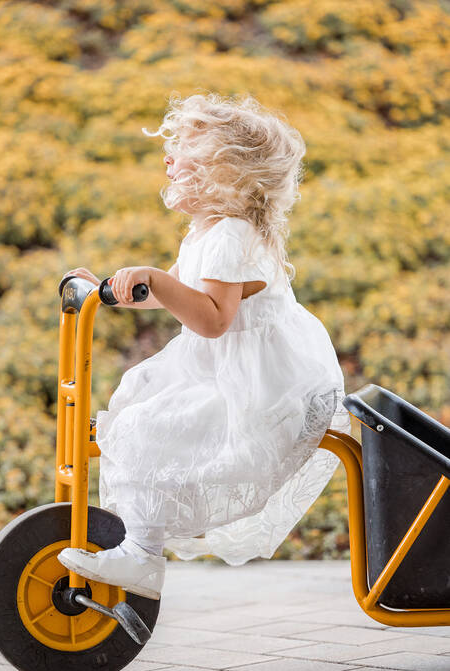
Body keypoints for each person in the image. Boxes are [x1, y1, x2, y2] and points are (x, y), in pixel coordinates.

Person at [58, 91, 351, 601]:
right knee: (138, 411)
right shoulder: (208, 231)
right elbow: (176, 292)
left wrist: (154, 278)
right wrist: (118, 287)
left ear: (225, 175)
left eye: (185, 156)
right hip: (228, 368)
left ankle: (142, 556)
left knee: (149, 429)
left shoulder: (230, 235)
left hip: (260, 385)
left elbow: (213, 319)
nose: (168, 161)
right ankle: (139, 547)